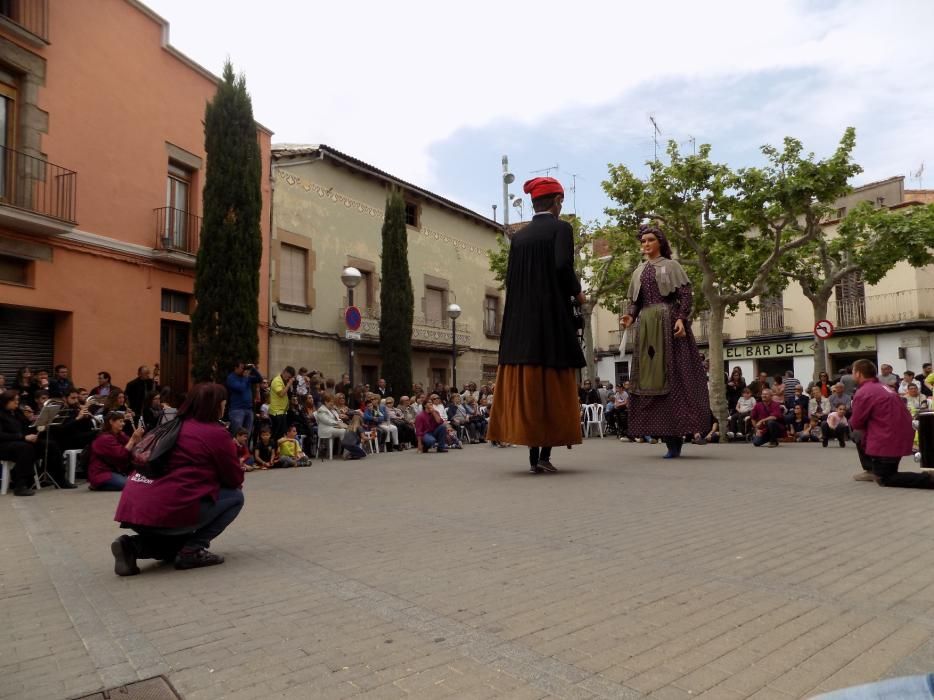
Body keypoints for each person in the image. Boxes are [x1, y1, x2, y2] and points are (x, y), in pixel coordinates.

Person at [487, 177, 584, 473]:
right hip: (551, 321)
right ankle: (544, 456)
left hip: (521, 326)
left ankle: (533, 458)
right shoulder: (561, 229)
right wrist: (577, 292)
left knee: (530, 390)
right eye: (561, 202)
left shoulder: (519, 238)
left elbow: (512, 281)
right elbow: (561, 266)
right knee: (552, 389)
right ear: (557, 202)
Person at [111, 382, 245, 575]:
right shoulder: (216, 433)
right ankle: (193, 549)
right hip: (167, 509)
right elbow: (234, 479)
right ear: (216, 405)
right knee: (235, 497)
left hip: (134, 507)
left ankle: (131, 546)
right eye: (223, 403)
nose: (225, 407)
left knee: (176, 543)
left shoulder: (171, 424)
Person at [621, 224, 710, 458]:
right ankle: (664, 434)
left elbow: (685, 296)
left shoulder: (672, 266)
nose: (646, 244)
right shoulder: (638, 271)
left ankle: (678, 435)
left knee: (675, 376)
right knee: (649, 380)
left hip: (668, 324)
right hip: (647, 327)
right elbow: (636, 303)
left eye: (650, 240)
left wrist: (681, 319)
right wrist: (630, 315)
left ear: (659, 242)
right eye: (643, 241)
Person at [849, 359, 928, 488]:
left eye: (853, 372)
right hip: (898, 433)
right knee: (887, 472)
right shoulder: (882, 387)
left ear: (858, 374)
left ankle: (929, 479)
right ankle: (874, 470)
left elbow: (857, 421)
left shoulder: (864, 392)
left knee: (885, 478)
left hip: (887, 438)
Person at [88, 412, 145, 491]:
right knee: (132, 485)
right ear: (111, 422)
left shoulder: (120, 434)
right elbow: (121, 455)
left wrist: (138, 440)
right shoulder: (104, 438)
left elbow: (134, 448)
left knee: (140, 482)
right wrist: (132, 440)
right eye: (120, 421)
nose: (123, 424)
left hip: (117, 471)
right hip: (102, 473)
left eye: (123, 421)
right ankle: (97, 485)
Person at [226, 361, 263, 438]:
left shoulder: (246, 377)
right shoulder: (231, 378)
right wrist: (245, 377)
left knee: (246, 436)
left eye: (244, 368)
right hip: (237, 410)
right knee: (237, 435)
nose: (243, 370)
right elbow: (241, 388)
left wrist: (253, 369)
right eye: (241, 368)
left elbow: (260, 379)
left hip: (249, 410)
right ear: (235, 368)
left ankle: (245, 450)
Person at [268, 366, 295, 440]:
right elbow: (281, 394)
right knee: (276, 434)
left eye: (290, 377)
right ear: (285, 372)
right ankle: (274, 450)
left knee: (282, 434)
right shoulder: (277, 380)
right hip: (276, 412)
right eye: (288, 376)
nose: (288, 378)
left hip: (282, 411)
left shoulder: (284, 381)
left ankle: (278, 450)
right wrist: (289, 384)